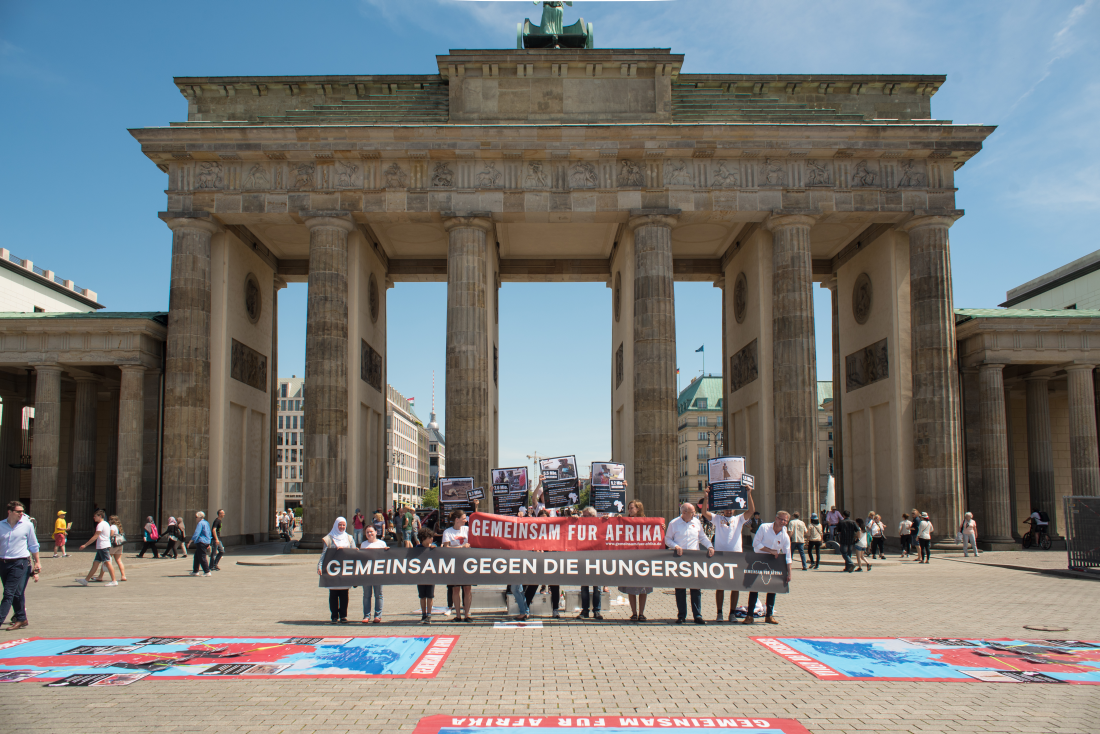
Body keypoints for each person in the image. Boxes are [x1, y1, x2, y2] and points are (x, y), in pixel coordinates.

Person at [699, 486, 754, 622]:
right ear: (723, 509)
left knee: (735, 586)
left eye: (731, 509)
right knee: (720, 586)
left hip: (736, 556)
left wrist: (749, 494)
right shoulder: (718, 518)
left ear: (734, 509)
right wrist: (706, 497)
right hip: (720, 556)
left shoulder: (739, 519)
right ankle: (719, 613)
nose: (729, 511)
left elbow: (751, 511)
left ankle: (732, 613)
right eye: (727, 508)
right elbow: (704, 512)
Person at [665, 501, 714, 625]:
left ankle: (697, 615)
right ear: (684, 512)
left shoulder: (696, 522)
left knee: (695, 588)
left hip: (694, 559)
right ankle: (681, 615)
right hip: (680, 559)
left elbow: (702, 537)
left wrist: (709, 546)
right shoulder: (674, 523)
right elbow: (667, 539)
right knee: (680, 588)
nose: (694, 514)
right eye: (692, 512)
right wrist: (675, 546)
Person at [744, 511, 792, 625]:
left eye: (785, 520)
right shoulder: (764, 527)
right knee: (754, 588)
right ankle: (749, 615)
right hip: (759, 559)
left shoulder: (784, 535)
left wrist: (789, 572)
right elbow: (756, 544)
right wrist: (770, 550)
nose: (783, 522)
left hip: (774, 562)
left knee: (772, 588)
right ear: (776, 518)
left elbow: (788, 555)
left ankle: (769, 615)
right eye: (781, 519)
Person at [0, 501, 41, 631]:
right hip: (3, 563)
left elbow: (33, 545)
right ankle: (21, 618)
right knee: (16, 593)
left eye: (22, 511)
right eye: (18, 511)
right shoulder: (1, 525)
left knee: (8, 593)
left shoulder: (27, 525)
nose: (21, 514)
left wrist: (37, 562)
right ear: (10, 512)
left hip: (20, 562)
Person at [618, 500, 654, 622]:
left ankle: (641, 613)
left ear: (638, 509)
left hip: (643, 558)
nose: (629, 510)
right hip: (629, 558)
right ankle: (634, 613)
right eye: (629, 508)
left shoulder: (647, 522)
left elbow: (654, 534)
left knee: (643, 587)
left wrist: (660, 528)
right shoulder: (625, 521)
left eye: (632, 508)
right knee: (631, 586)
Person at [317, 517, 355, 623]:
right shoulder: (328, 538)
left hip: (345, 569)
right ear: (335, 525)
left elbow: (355, 552)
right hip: (333, 570)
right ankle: (334, 616)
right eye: (340, 525)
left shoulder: (349, 538)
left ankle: (343, 615)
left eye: (343, 525)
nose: (342, 527)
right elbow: (324, 554)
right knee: (333, 594)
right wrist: (319, 566)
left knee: (344, 593)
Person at [574, 506, 603, 620]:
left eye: (586, 516)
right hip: (584, 558)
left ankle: (597, 610)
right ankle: (585, 610)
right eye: (583, 516)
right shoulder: (580, 525)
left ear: (593, 516)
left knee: (597, 588)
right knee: (584, 587)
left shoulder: (600, 525)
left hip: (596, 558)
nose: (583, 518)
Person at [443, 510, 473, 622]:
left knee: (467, 589)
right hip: (454, 564)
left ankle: (467, 615)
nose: (466, 520)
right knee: (455, 590)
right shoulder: (448, 532)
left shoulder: (468, 530)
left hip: (467, 563)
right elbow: (445, 549)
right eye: (464, 518)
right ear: (457, 519)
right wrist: (460, 548)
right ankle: (458, 615)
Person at [76, 510, 117, 586]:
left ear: (100, 516)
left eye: (95, 516)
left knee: (107, 562)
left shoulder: (100, 524)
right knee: (95, 563)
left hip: (103, 546)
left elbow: (96, 536)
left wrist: (85, 545)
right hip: (102, 546)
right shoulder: (106, 524)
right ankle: (86, 580)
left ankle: (114, 581)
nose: (94, 518)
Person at [357, 525, 387, 623]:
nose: (369, 534)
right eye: (367, 532)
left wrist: (388, 551)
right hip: (366, 573)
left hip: (378, 573)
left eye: (371, 531)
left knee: (378, 594)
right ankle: (366, 616)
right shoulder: (363, 544)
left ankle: (378, 615)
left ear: (375, 532)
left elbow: (387, 558)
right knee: (366, 595)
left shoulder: (382, 544)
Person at [95, 516, 127, 582]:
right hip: (120, 544)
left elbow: (111, 535)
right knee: (119, 561)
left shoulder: (112, 526)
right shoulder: (119, 527)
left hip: (113, 545)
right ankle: (123, 576)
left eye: (109, 520)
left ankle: (100, 576)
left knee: (106, 560)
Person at [415, 527, 436, 625]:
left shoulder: (434, 547)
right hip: (420, 576)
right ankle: (423, 614)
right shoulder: (417, 549)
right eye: (429, 537)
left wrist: (434, 548)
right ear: (423, 538)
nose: (431, 539)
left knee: (430, 596)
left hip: (431, 575)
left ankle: (429, 614)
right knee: (422, 596)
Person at [188, 512, 212, 576]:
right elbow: (209, 533)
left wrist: (191, 540)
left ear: (199, 517)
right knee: (196, 556)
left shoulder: (200, 523)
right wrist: (209, 542)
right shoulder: (206, 523)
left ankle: (207, 571)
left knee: (202, 556)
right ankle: (195, 571)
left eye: (196, 517)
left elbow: (197, 532)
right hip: (206, 541)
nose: (196, 519)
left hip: (201, 541)